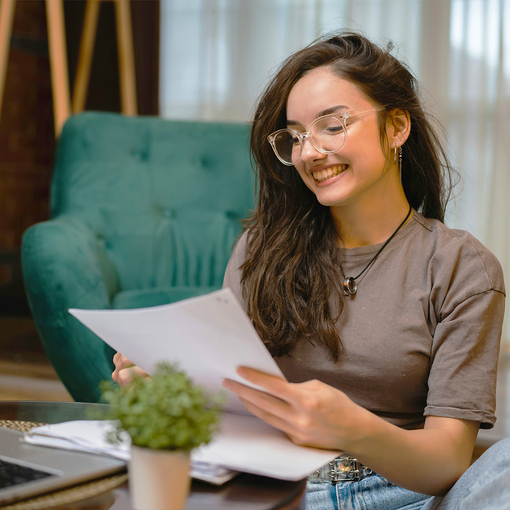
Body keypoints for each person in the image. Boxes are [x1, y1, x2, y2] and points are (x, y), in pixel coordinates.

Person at [113, 32, 510, 509]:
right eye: (295, 136)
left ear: (397, 126)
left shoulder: (462, 267)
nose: (309, 152)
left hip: (408, 497)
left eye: (332, 125)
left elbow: (447, 461)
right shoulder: (261, 248)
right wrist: (169, 384)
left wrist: (357, 430)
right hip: (276, 490)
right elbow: (226, 402)